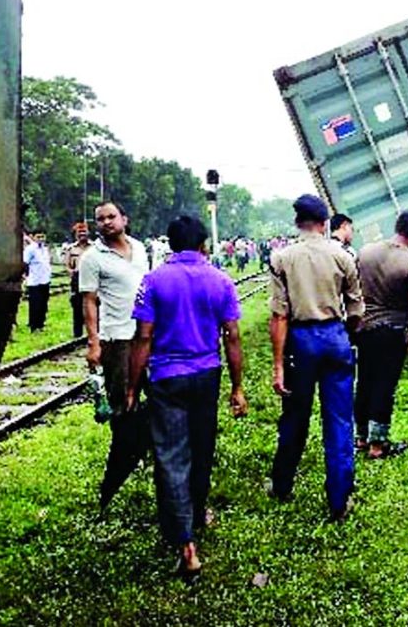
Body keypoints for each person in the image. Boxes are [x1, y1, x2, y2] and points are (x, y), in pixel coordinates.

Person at [128, 214, 246, 575]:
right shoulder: (221, 280)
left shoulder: (153, 281)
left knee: (171, 455)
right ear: (202, 245)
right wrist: (238, 387)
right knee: (201, 446)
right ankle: (197, 512)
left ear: (171, 243)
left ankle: (185, 541)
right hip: (207, 375)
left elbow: (143, 337)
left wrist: (133, 386)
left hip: (166, 378)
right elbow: (233, 336)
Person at [268, 194, 364, 521]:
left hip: (300, 341)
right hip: (335, 336)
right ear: (325, 224)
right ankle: (339, 499)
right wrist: (345, 335)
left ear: (297, 222)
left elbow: (279, 316)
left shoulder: (282, 258)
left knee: (295, 416)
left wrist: (279, 364)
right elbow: (356, 309)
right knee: (339, 420)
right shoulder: (343, 257)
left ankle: (282, 484)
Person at [79, 201, 151, 509]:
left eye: (111, 216)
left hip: (146, 336)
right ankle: (125, 455)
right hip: (117, 339)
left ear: (124, 218)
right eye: (101, 219)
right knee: (123, 403)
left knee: (156, 394)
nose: (106, 222)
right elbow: (89, 301)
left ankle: (146, 450)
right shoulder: (92, 258)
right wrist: (94, 342)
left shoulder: (140, 248)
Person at [355, 210, 408, 458]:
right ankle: (378, 445)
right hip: (393, 330)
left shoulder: (366, 252)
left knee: (365, 380)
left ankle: (361, 437)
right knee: (384, 385)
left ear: (397, 227)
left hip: (364, 328)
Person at [64, 222, 92, 337]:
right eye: (79, 233)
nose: (82, 235)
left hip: (92, 279)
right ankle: (77, 334)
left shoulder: (94, 248)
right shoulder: (71, 249)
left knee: (94, 306)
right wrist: (72, 275)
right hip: (77, 279)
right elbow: (67, 265)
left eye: (84, 232)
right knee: (77, 307)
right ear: (75, 235)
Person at [23, 229, 52, 332]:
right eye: (38, 237)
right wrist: (26, 276)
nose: (40, 239)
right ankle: (33, 325)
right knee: (35, 304)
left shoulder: (45, 249)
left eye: (42, 237)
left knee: (44, 304)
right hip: (34, 281)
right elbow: (25, 263)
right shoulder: (30, 249)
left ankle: (41, 324)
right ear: (33, 237)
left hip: (45, 280)